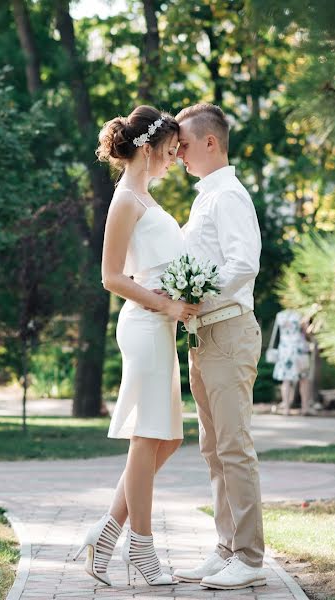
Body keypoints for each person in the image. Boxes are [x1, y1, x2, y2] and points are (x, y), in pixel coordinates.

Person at [74, 105, 199, 587]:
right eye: (169, 153)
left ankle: (106, 533)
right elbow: (110, 277)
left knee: (167, 438)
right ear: (146, 150)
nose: (173, 161)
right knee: (148, 436)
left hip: (160, 325)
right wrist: (166, 306)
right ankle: (141, 550)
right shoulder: (125, 199)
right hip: (145, 324)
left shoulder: (144, 196)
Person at [171, 103, 267, 590]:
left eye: (184, 145)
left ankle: (249, 558)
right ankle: (226, 547)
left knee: (233, 446)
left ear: (211, 142)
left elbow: (243, 263)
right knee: (213, 448)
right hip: (203, 335)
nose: (178, 153)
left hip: (228, 330)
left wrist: (196, 295)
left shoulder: (229, 195)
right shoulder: (204, 197)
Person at [268, 309, 313, 415]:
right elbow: (306, 332)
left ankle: (286, 409)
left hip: (284, 350)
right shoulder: (301, 315)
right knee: (304, 379)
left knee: (286, 381)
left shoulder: (280, 315)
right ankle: (305, 408)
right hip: (299, 349)